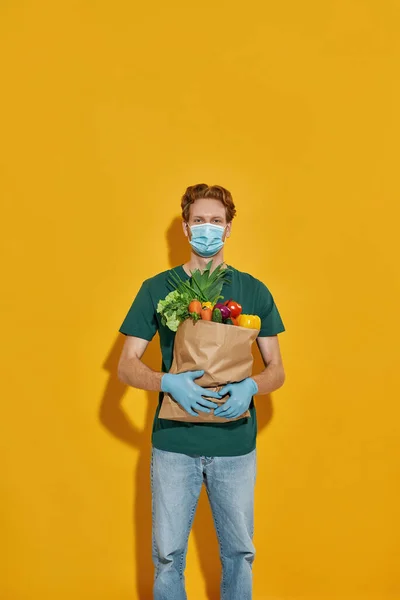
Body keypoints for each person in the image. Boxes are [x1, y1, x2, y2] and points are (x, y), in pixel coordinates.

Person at [117, 183, 286, 600]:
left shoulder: (253, 291)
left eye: (216, 221)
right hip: (174, 444)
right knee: (169, 556)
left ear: (228, 229)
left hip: (236, 444)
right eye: (199, 221)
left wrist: (251, 386)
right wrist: (167, 382)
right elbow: (126, 366)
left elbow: (277, 371)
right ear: (185, 227)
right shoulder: (157, 288)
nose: (207, 228)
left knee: (239, 554)